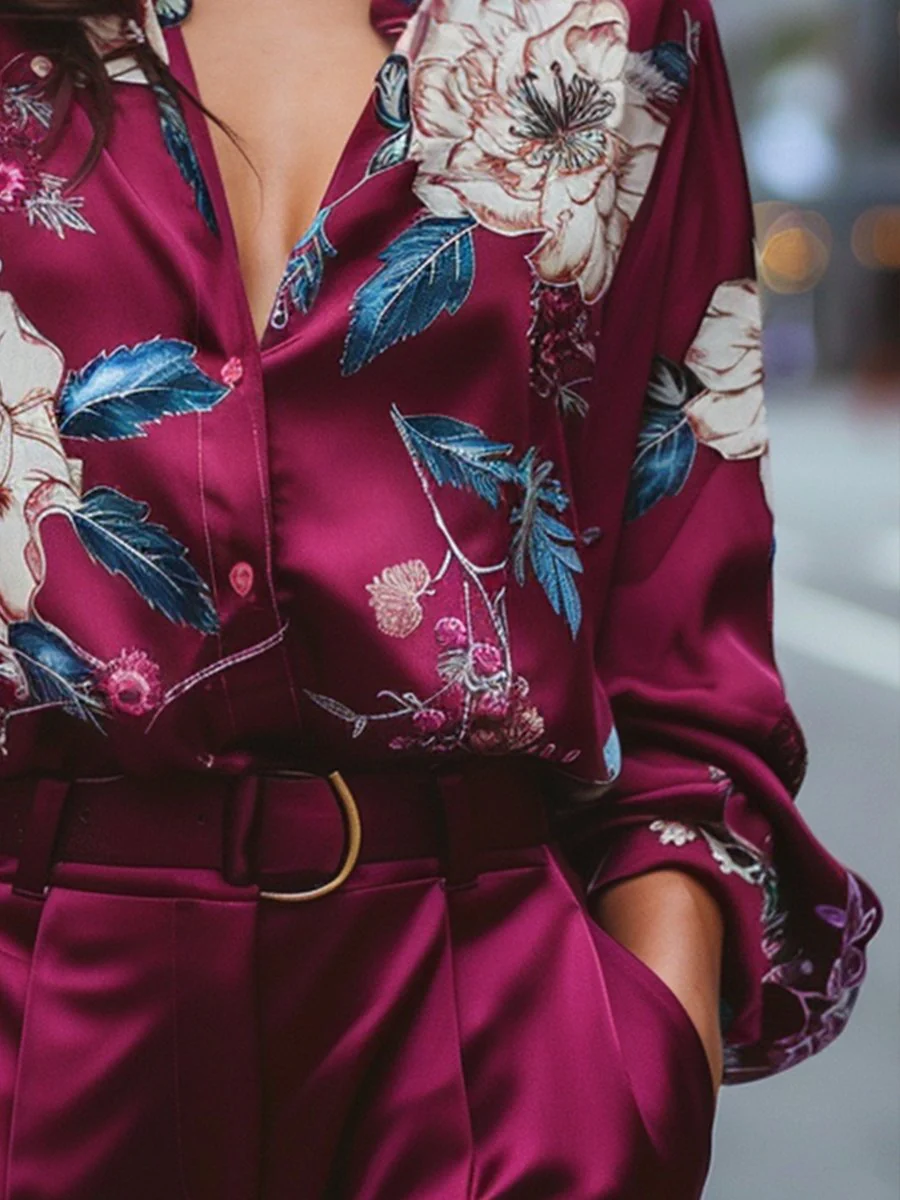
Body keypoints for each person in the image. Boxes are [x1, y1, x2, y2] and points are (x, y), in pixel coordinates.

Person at [0, 0, 884, 1197]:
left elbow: (681, 612)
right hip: (35, 1007)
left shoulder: (611, 27)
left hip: (485, 1039)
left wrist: (642, 1073)